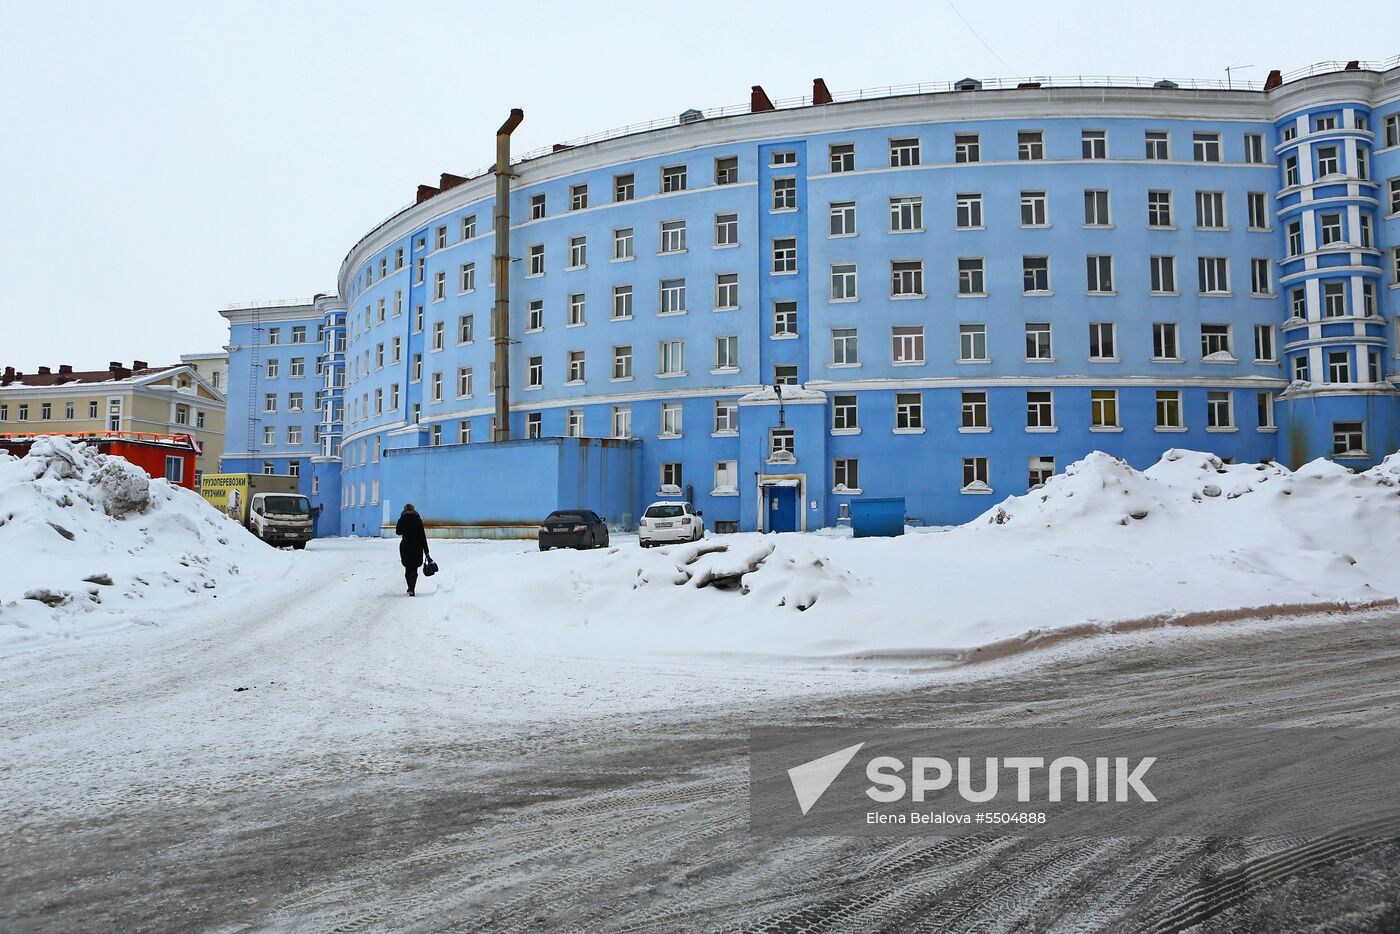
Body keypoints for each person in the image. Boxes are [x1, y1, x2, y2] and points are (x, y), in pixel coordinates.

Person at [395, 503, 430, 596]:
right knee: (414, 568)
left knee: (408, 568)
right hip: (417, 546)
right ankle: (412, 588)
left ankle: (410, 587)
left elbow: (398, 532)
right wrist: (426, 551)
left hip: (405, 546)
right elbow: (422, 536)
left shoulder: (401, 520)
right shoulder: (418, 520)